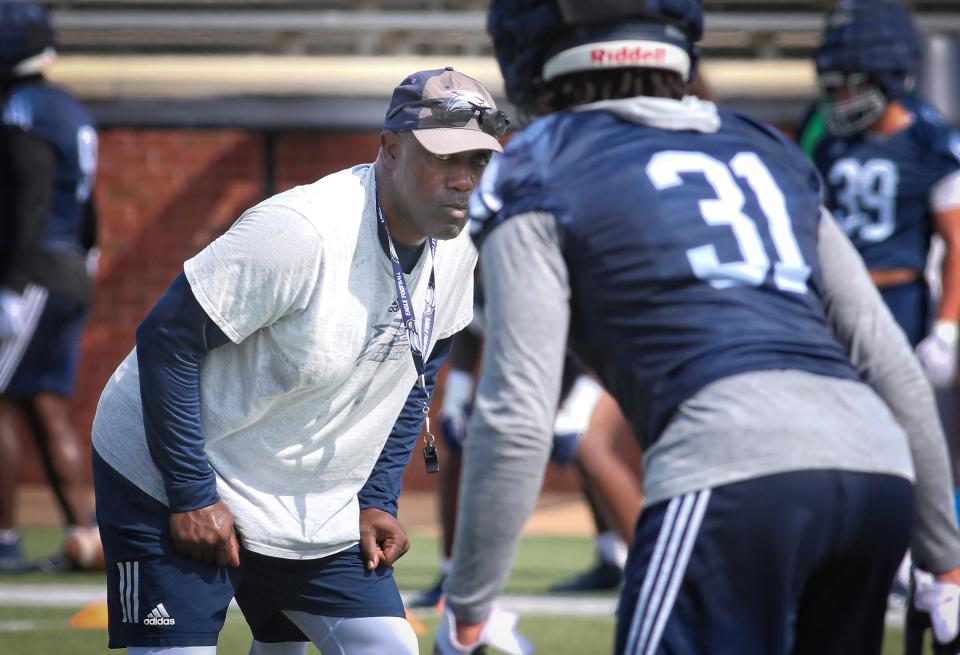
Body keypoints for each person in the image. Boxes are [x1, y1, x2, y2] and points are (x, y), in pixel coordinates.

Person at [434, 1, 960, 653]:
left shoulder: (536, 161)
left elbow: (517, 409)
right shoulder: (765, 145)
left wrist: (468, 604)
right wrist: (945, 559)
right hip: (877, 477)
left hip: (730, 478)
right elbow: (888, 361)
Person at [91, 67, 504, 654]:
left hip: (303, 492)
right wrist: (191, 494)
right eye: (445, 158)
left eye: (478, 161)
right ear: (389, 148)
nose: (464, 180)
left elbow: (415, 373)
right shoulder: (302, 231)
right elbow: (165, 340)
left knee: (387, 648)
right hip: (171, 470)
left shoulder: (457, 246)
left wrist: (376, 499)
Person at [797, 0, 960, 386]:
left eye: (849, 88)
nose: (839, 100)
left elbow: (956, 242)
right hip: (834, 299)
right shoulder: (824, 137)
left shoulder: (928, 143)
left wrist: (946, 331)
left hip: (898, 301)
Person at [0, 0, 102, 573]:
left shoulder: (23, 107)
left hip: (34, 272)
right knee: (42, 404)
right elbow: (84, 201)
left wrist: (13, 285)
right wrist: (88, 253)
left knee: (3, 401)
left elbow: (33, 196)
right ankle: (85, 535)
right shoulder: (68, 107)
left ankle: (4, 540)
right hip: (67, 271)